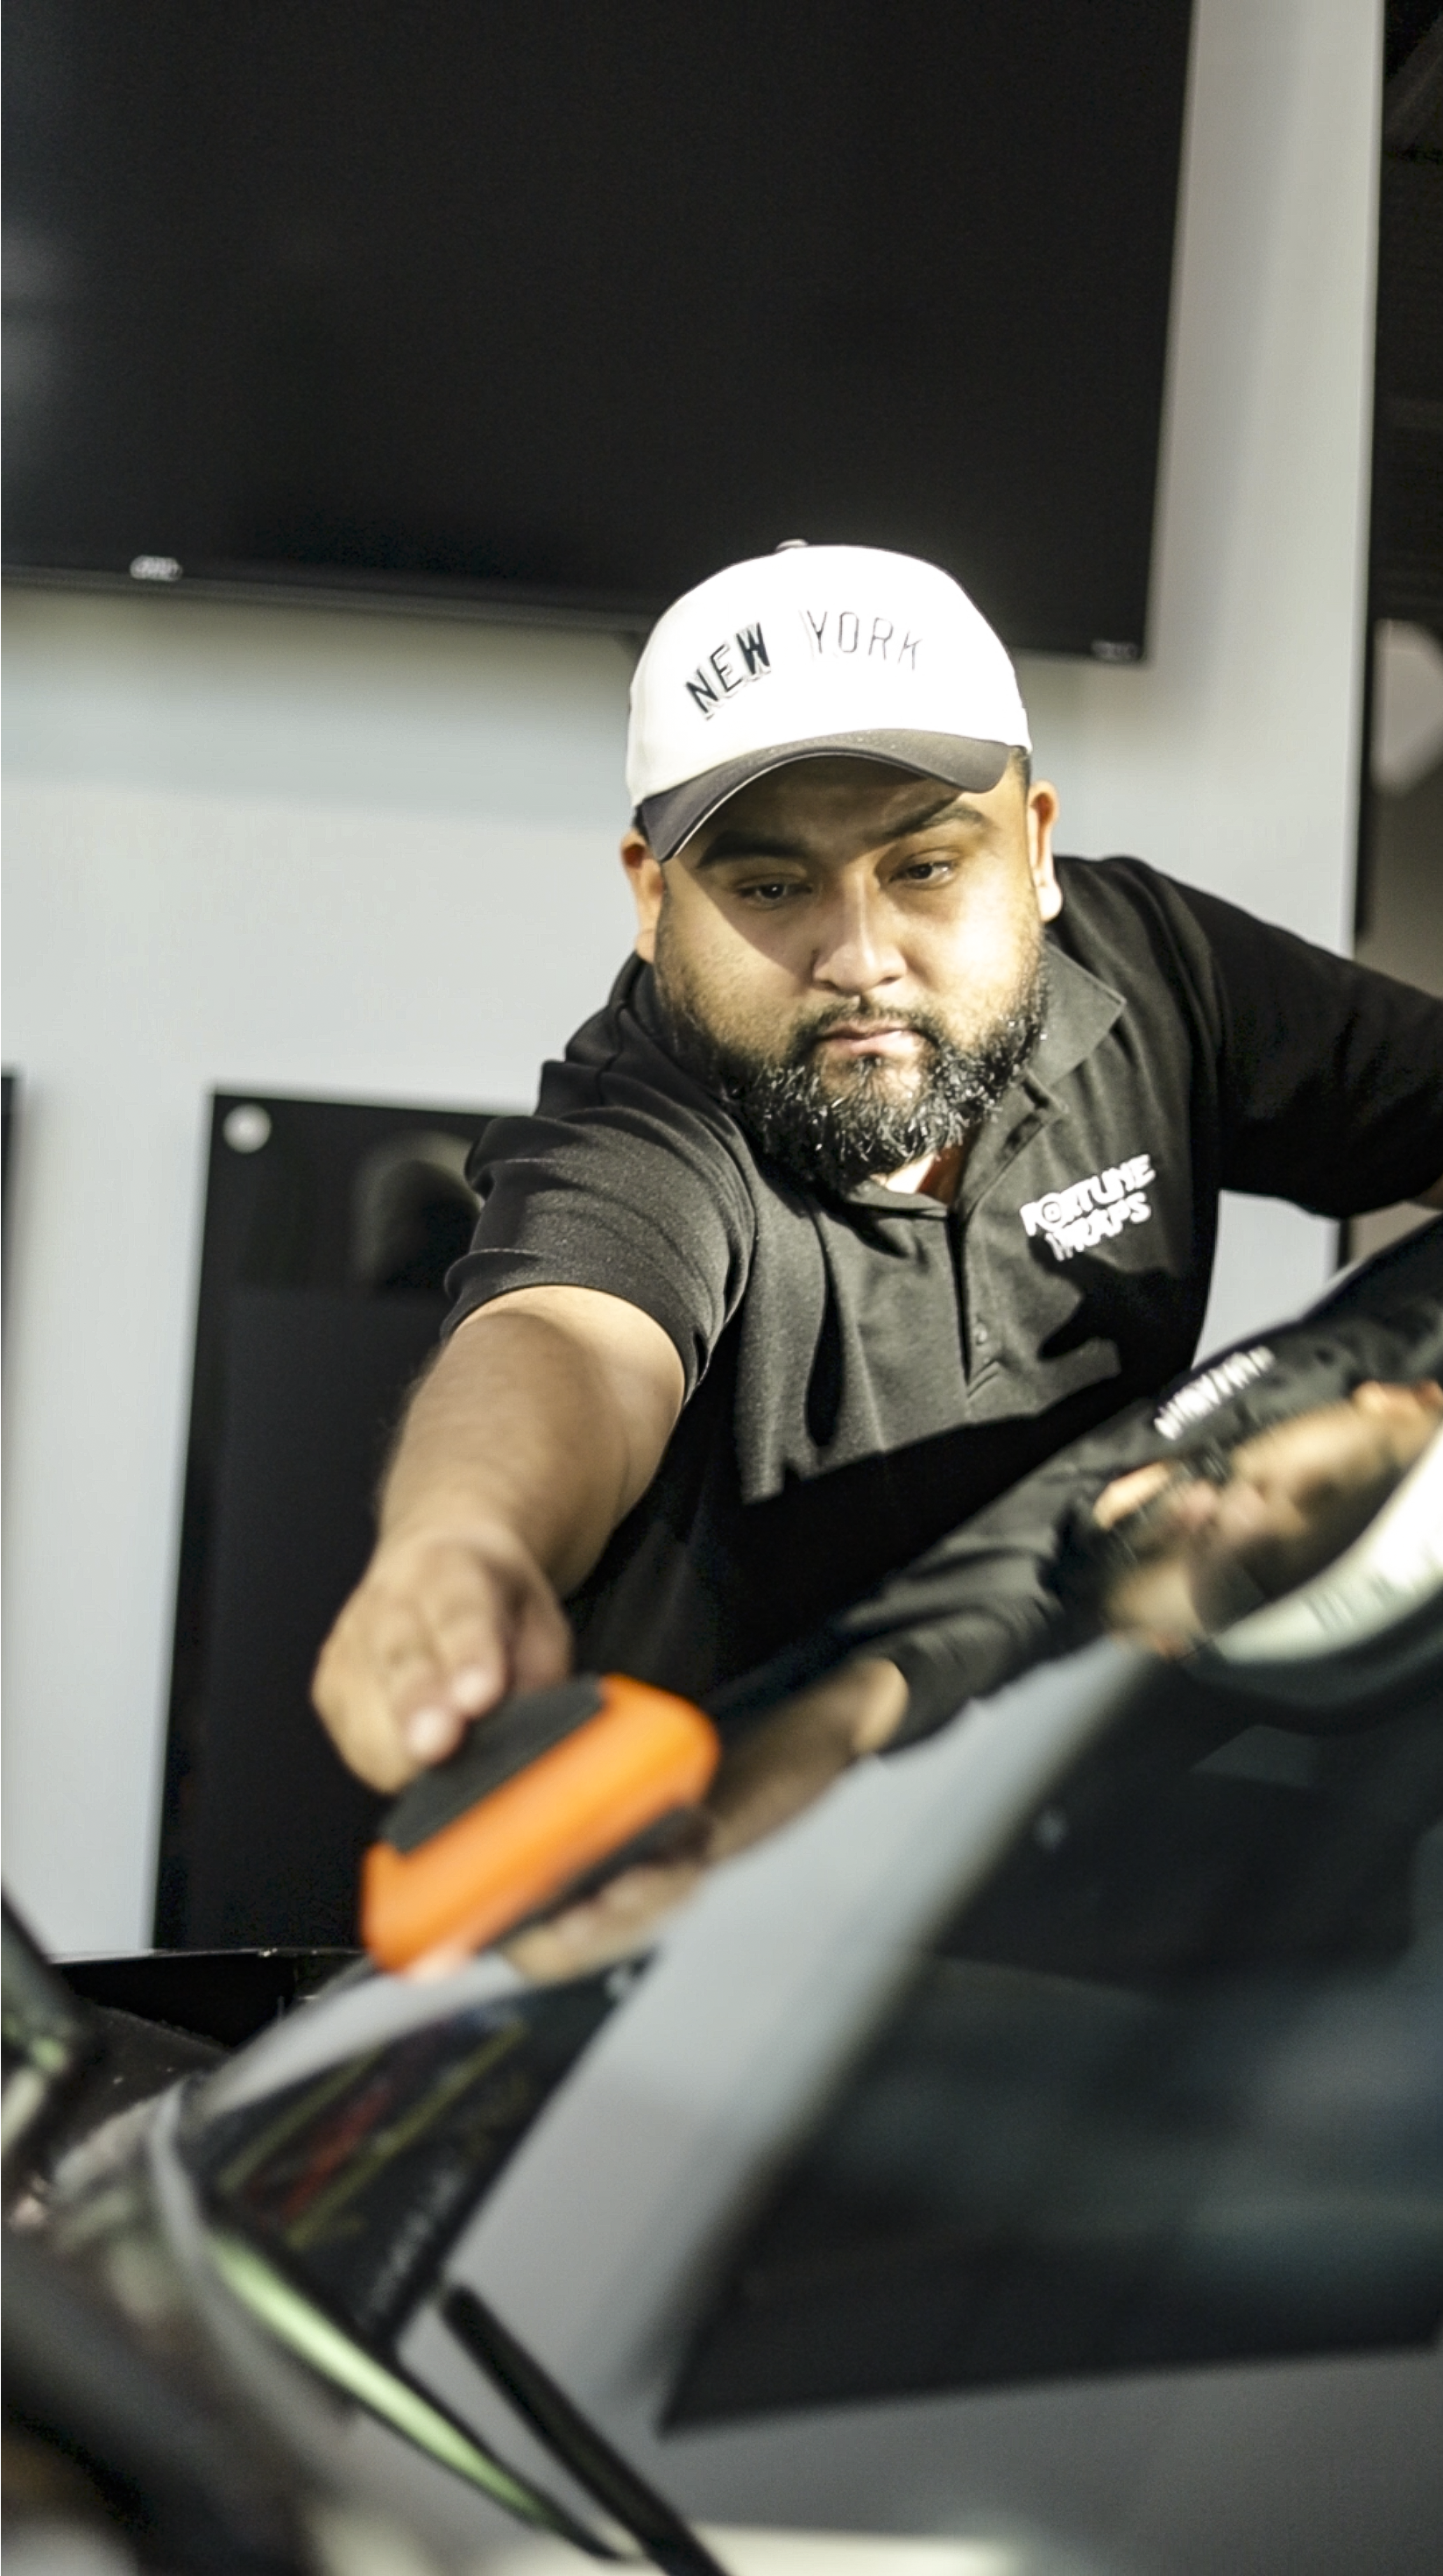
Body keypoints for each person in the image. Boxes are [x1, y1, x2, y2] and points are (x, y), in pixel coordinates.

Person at [313, 541, 1443, 1835]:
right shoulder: (643, 1125)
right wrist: (461, 1542)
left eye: (923, 867)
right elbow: (567, 1331)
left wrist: (1344, 1405)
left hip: (1090, 1801)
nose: (858, 958)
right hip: (740, 1884)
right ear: (650, 895)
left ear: (1032, 847)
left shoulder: (1161, 971)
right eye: (770, 885)